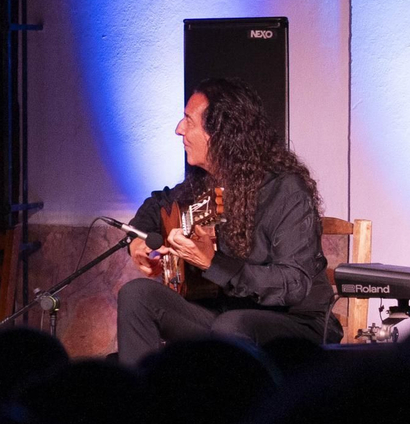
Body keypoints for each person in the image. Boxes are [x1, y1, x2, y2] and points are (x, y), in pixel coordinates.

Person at [114, 78, 335, 368]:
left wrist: (213, 264)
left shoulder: (286, 190)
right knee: (137, 295)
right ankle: (139, 394)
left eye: (189, 121)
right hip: (227, 316)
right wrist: (137, 242)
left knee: (232, 325)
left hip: (296, 323)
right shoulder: (205, 183)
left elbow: (293, 284)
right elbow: (158, 204)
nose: (179, 129)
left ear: (221, 134)